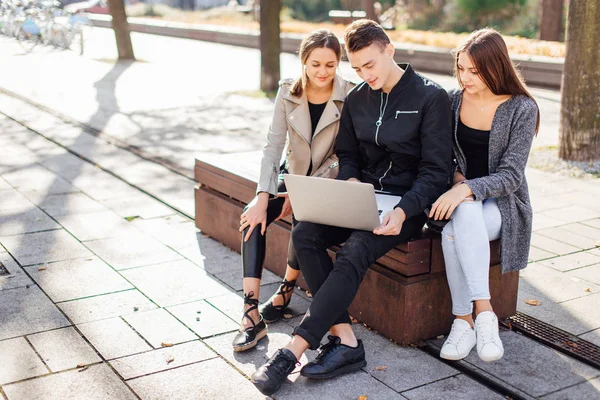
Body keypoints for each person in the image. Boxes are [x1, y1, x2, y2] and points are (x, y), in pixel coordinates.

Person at [251, 19, 452, 396]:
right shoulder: (359, 97)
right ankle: (345, 341)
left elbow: (436, 172)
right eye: (357, 69)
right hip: (363, 198)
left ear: (389, 50)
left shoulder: (430, 97)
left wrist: (405, 210)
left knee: (357, 247)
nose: (364, 75)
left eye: (370, 65)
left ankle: (294, 350)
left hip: (405, 207)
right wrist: (352, 181)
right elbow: (349, 154)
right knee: (306, 231)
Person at [233, 29, 355, 352]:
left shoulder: (349, 95)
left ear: (338, 63)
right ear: (303, 61)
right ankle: (250, 316)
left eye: (330, 65)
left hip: (328, 182)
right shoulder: (288, 91)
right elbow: (273, 147)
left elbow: (346, 157)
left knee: (305, 219)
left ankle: (286, 288)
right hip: (291, 177)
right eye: (315, 64)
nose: (322, 72)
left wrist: (302, 193)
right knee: (252, 217)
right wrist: (263, 197)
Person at [429, 28, 540, 362]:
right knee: (460, 218)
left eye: (474, 71)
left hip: (504, 203)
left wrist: (467, 188)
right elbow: (440, 156)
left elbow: (511, 176)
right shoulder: (452, 101)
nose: (465, 77)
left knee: (459, 218)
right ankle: (479, 316)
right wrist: (457, 179)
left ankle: (468, 318)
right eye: (461, 68)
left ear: (496, 67)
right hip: (462, 201)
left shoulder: (522, 108)